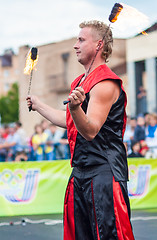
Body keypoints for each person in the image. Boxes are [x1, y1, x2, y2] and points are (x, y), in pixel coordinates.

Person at [27, 20, 134, 239]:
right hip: (81, 173)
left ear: (98, 45)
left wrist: (75, 108)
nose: (75, 45)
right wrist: (39, 105)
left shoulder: (105, 83)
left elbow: (90, 130)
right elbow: (69, 120)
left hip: (104, 174)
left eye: (81, 39)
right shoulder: (81, 81)